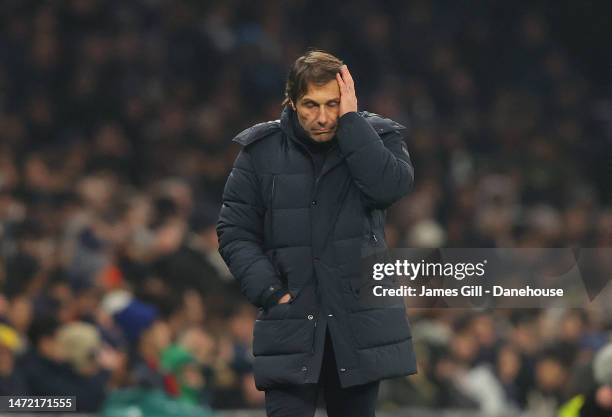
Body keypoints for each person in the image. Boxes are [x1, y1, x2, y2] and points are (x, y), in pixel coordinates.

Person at [217, 49, 416, 417]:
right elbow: (234, 231)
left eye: (333, 105)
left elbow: (389, 188)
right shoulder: (260, 153)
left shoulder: (378, 137)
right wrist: (270, 291)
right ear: (290, 101)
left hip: (357, 324)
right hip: (290, 323)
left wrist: (354, 123)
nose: (323, 117)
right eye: (310, 105)